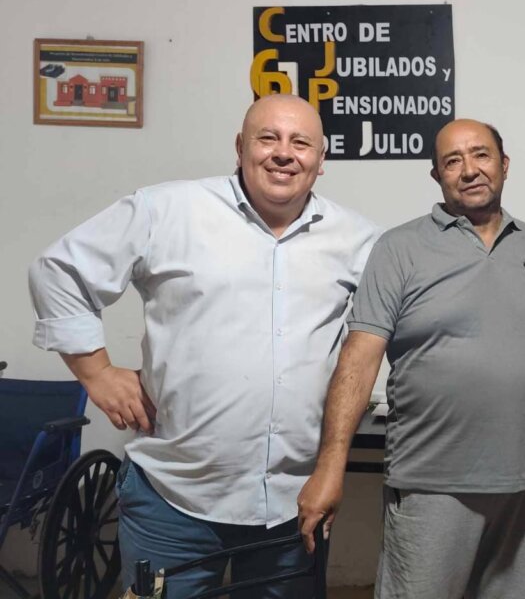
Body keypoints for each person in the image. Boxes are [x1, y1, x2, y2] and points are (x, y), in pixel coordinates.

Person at [29, 94, 378, 597]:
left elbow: (376, 340)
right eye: (268, 138)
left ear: (321, 160)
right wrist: (96, 372)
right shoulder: (166, 210)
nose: (284, 153)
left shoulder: (358, 239)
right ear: (240, 147)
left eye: (301, 143)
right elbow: (59, 270)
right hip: (173, 502)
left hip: (294, 502)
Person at [296, 118, 525, 599]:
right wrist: (331, 465)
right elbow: (359, 358)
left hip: (523, 484)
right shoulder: (400, 247)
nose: (469, 169)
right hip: (431, 481)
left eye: (480, 155)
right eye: (452, 161)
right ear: (437, 175)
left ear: (504, 165)